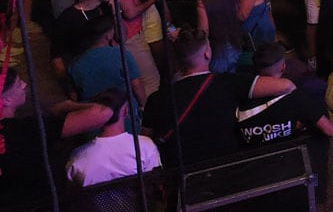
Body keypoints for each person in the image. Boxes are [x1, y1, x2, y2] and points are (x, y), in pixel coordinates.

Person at [141, 28, 296, 166]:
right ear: (207, 54)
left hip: (180, 176)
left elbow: (146, 141)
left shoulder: (156, 99)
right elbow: (286, 86)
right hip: (226, 166)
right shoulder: (228, 83)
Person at [0, 69, 113, 203]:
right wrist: (66, 106)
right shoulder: (26, 128)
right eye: (18, 84)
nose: (24, 85)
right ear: (6, 100)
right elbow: (103, 112)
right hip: (37, 203)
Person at [236, 43, 333, 147]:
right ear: (283, 67)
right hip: (291, 158)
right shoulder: (295, 97)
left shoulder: (241, 96)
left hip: (254, 161)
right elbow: (330, 131)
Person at [65, 87, 162, 188]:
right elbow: (155, 186)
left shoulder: (78, 157)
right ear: (125, 111)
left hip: (96, 204)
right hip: (140, 203)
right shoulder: (145, 146)